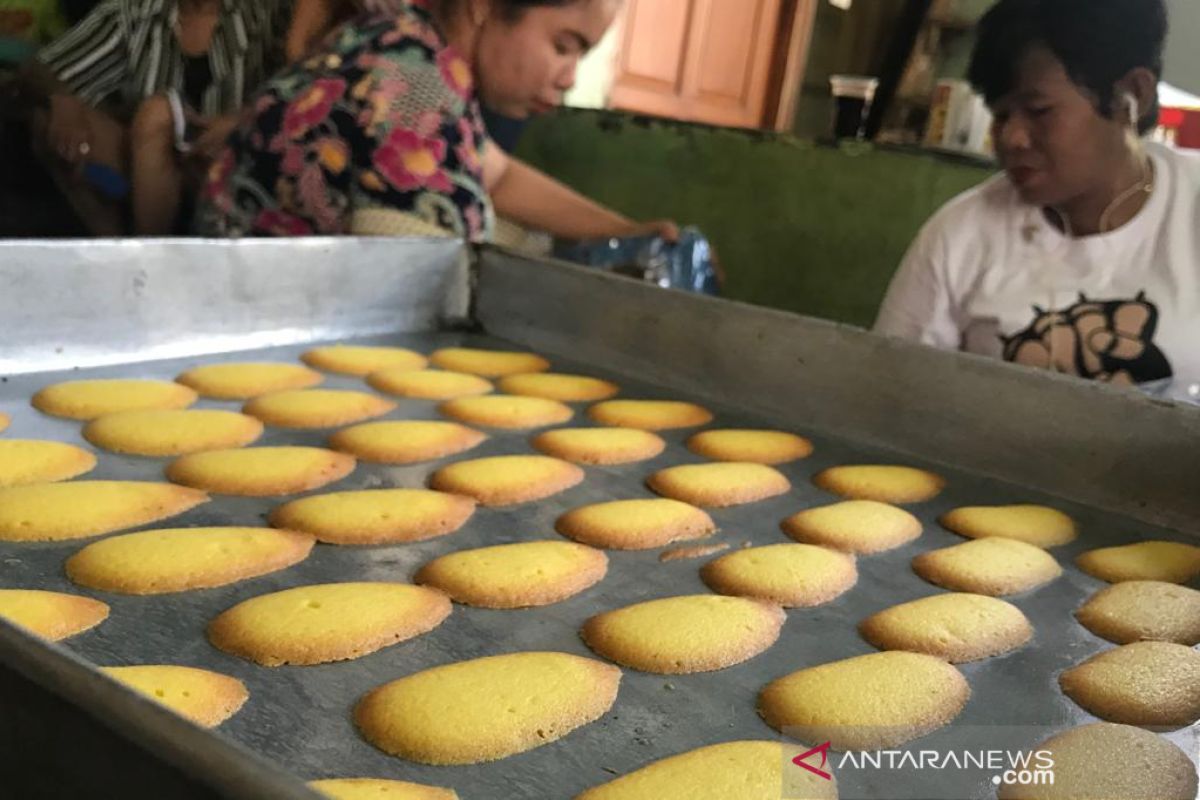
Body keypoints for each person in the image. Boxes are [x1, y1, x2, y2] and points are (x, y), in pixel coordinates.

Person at [875, 0, 1200, 400]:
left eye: (1038, 111)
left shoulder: (1191, 209)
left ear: (1131, 95)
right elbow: (887, 393)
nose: (1012, 138)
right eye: (1000, 114)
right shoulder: (960, 236)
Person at [197, 0, 674, 242]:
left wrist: (625, 230)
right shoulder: (416, 94)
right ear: (484, 6)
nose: (568, 78)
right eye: (563, 46)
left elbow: (499, 175)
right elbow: (428, 286)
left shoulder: (403, 38)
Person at [22, 0, 291, 235]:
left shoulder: (265, 12)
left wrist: (242, 119)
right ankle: (117, 251)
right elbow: (42, 67)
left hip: (233, 164)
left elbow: (304, 84)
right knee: (50, 121)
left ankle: (148, 256)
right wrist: (63, 101)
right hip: (147, 166)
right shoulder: (134, 12)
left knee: (157, 115)